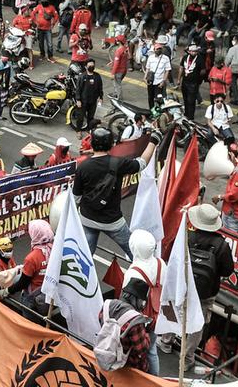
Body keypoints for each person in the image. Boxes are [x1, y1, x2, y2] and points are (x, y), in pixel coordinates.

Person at [72, 128, 157, 258]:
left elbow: (76, 198)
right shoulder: (118, 163)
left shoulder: (83, 166)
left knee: (85, 257)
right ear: (111, 145)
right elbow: (142, 163)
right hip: (113, 222)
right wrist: (153, 141)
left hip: (87, 219)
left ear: (92, 144)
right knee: (137, 253)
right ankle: (143, 274)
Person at [178, 204, 235, 372]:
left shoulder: (187, 236)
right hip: (206, 292)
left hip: (184, 285)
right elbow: (228, 270)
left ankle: (166, 341)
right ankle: (187, 357)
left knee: (177, 311)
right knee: (198, 323)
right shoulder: (221, 245)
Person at [122, 230, 164, 375]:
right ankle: (156, 379)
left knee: (136, 353)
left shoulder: (133, 273)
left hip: (139, 320)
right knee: (152, 350)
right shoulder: (160, 263)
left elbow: (127, 300)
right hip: (156, 315)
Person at [3, 219, 54, 309]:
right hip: (51, 295)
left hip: (34, 299)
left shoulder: (32, 258)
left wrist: (7, 291)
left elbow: (23, 283)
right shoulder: (55, 250)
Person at [143, 41, 171, 110]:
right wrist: (145, 77)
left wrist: (163, 81)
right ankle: (152, 112)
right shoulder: (150, 57)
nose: (158, 50)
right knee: (150, 97)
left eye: (160, 49)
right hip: (150, 81)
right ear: (154, 50)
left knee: (159, 98)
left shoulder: (165, 58)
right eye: (157, 49)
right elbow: (148, 68)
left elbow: (167, 71)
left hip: (159, 82)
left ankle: (161, 112)